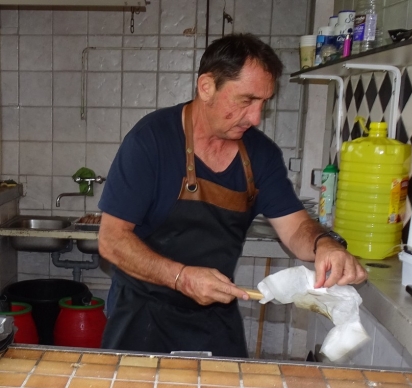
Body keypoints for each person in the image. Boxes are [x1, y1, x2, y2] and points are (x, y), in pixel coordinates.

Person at [98, 33, 367, 357]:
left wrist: (325, 244)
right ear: (206, 87)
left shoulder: (260, 154)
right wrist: (181, 277)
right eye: (246, 101)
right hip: (141, 316)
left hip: (213, 318)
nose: (256, 118)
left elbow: (295, 227)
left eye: (263, 103)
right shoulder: (150, 141)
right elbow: (112, 240)